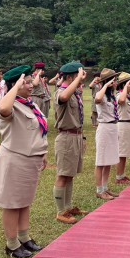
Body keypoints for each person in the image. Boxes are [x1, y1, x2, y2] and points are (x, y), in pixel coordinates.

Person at [0, 65, 48, 258]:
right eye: (25, 82)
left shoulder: (30, 104)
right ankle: (12, 244)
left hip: (31, 160)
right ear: (14, 85)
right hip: (15, 159)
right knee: (12, 203)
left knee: (25, 201)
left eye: (29, 82)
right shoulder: (7, 105)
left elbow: (38, 130)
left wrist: (43, 152)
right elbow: (2, 108)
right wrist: (15, 85)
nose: (30, 85)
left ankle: (24, 237)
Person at [53, 62, 87, 224]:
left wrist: (79, 80)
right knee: (62, 174)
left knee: (70, 174)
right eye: (77, 75)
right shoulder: (61, 92)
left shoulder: (74, 92)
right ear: (69, 77)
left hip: (75, 136)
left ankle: (67, 206)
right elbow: (64, 97)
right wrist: (78, 79)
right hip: (66, 137)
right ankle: (61, 211)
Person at [93, 68, 120, 200]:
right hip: (104, 128)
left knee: (109, 160)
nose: (116, 82)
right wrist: (104, 85)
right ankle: (99, 190)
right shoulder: (101, 94)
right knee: (101, 161)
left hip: (113, 128)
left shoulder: (112, 96)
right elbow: (97, 99)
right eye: (114, 80)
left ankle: (105, 188)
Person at [115, 72, 130, 185]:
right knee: (122, 153)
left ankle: (122, 175)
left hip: (129, 125)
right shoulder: (120, 95)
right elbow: (121, 101)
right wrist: (124, 88)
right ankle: (119, 177)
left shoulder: (128, 96)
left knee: (125, 153)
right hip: (123, 125)